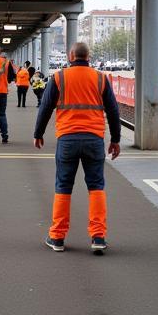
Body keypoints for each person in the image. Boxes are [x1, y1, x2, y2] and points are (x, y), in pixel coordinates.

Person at [33, 41, 121, 255]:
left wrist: (38, 134)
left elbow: (45, 107)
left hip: (67, 139)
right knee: (96, 186)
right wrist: (115, 140)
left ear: (70, 55)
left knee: (63, 185)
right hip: (94, 139)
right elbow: (113, 110)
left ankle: (57, 237)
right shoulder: (101, 78)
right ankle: (98, 237)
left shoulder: (58, 77)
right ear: (88, 56)